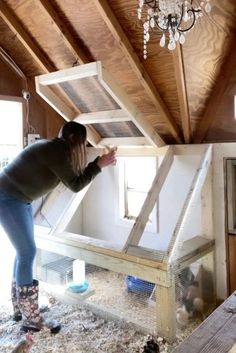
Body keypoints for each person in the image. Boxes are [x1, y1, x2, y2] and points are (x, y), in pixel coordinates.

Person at [0, 121, 116, 333]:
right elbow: (76, 184)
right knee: (27, 252)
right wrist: (98, 164)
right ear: (73, 139)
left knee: (23, 252)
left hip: (19, 198)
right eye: (81, 143)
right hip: (7, 197)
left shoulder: (54, 148)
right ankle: (30, 319)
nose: (81, 148)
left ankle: (22, 309)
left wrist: (99, 164)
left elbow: (73, 179)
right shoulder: (56, 151)